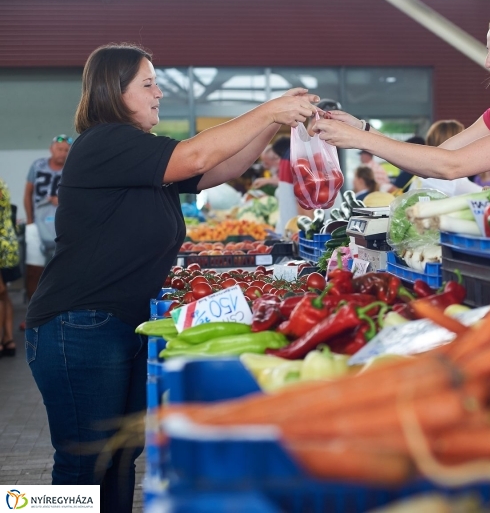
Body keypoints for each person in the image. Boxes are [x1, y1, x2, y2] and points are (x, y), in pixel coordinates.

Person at [24, 43, 317, 512]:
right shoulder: (105, 143)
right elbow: (198, 155)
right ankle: (19, 505)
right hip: (76, 326)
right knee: (81, 467)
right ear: (113, 93)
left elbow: (218, 169)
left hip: (114, 324)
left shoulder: (138, 154)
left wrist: (271, 126)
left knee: (119, 457)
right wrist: (268, 108)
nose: (159, 93)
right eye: (148, 84)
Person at [313, 8, 490, 185]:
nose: (488, 61)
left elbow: (452, 166)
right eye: (488, 51)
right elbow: (436, 157)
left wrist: (360, 139)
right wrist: (363, 129)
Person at [23, 134, 69, 309]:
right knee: (34, 270)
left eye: (66, 150)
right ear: (51, 149)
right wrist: (29, 221)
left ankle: (55, 312)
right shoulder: (38, 166)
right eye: (59, 149)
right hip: (37, 224)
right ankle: (31, 311)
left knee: (60, 271)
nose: (62, 153)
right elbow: (28, 193)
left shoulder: (72, 168)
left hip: (62, 227)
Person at [0, 179, 20, 357]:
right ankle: (8, 339)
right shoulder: (2, 183)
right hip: (8, 246)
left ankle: (4, 340)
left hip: (3, 248)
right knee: (3, 293)